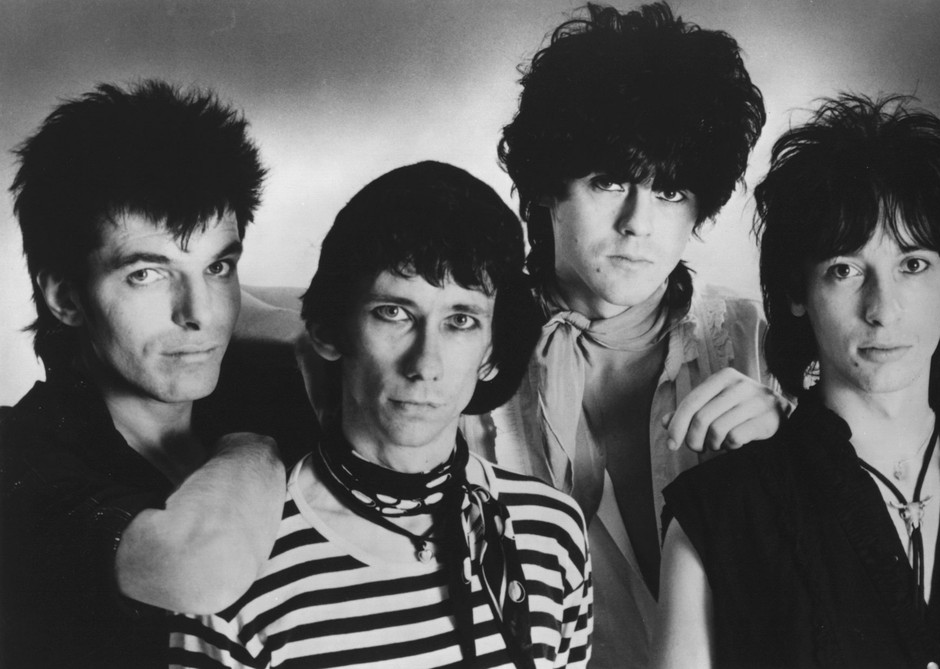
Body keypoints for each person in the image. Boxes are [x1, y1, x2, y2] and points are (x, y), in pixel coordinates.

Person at [457, 3, 789, 665]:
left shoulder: (752, 343)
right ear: (545, 186)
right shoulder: (467, 353)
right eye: (609, 181)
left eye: (671, 192)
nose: (639, 222)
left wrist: (793, 455)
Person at [170, 161, 592, 669]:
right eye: (393, 313)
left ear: (490, 353)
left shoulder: (551, 532)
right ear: (329, 331)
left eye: (460, 320)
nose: (425, 364)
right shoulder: (236, 572)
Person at [655, 94, 940, 668]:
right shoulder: (718, 512)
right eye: (845, 270)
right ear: (797, 293)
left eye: (913, 265)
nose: (882, 309)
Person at [0, 80, 290, 668]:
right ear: (65, 297)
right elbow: (200, 567)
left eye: (218, 267)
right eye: (146, 275)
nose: (199, 314)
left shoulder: (244, 386)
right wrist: (258, 439)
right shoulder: (18, 454)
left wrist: (303, 335)